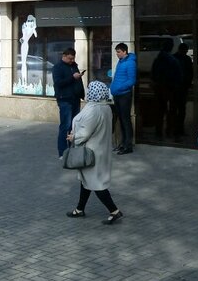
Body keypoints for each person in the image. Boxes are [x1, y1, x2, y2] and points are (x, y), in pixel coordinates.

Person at [66, 80, 123, 225]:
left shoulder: (94, 109)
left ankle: (114, 211)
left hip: (92, 152)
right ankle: (80, 209)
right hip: (100, 149)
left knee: (96, 183)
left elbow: (85, 132)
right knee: (86, 180)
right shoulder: (106, 107)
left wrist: (74, 137)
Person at [52, 48, 85, 158]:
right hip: (64, 99)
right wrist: (72, 77)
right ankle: (62, 152)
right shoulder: (58, 67)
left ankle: (73, 150)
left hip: (75, 98)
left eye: (73, 58)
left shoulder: (74, 66)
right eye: (70, 58)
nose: (72, 60)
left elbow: (77, 81)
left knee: (74, 125)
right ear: (64, 56)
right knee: (65, 126)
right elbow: (58, 83)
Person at [150, 38, 182, 139]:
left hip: (160, 86)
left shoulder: (158, 59)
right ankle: (170, 131)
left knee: (160, 111)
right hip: (170, 87)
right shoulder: (173, 60)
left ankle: (159, 132)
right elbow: (178, 76)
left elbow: (153, 74)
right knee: (171, 111)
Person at [109, 42, 137, 154]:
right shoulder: (120, 62)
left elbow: (132, 80)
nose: (117, 54)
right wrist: (113, 87)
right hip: (117, 95)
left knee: (125, 120)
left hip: (124, 95)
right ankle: (123, 143)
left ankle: (128, 145)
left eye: (119, 52)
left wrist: (119, 88)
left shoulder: (130, 63)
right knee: (120, 119)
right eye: (116, 52)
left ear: (125, 51)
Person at [173, 42, 194, 141]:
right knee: (178, 110)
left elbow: (190, 72)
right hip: (178, 87)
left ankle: (178, 130)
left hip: (180, 87)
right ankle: (177, 130)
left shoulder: (181, 58)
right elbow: (190, 73)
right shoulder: (183, 59)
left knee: (180, 110)